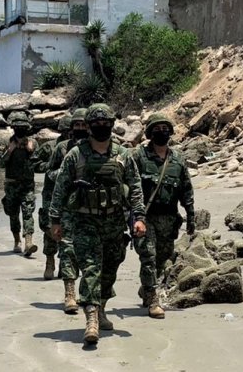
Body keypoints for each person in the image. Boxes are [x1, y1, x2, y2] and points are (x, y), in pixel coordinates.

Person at [50, 103, 146, 345]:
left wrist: (139, 217)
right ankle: (91, 318)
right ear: (90, 127)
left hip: (114, 222)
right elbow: (60, 189)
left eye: (106, 124)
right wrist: (55, 221)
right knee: (91, 268)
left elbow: (134, 187)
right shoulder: (76, 155)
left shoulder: (123, 155)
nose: (101, 127)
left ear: (112, 126)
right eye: (97, 124)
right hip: (85, 221)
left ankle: (101, 307)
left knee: (111, 267)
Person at [129, 113, 195, 320]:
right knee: (148, 257)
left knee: (162, 260)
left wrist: (191, 215)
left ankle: (146, 288)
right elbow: (130, 185)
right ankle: (153, 300)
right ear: (149, 133)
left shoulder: (178, 160)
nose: (161, 132)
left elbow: (186, 189)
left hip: (169, 218)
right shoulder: (139, 157)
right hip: (145, 217)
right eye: (156, 129)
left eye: (165, 128)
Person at [45, 109, 89, 313]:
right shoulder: (62, 149)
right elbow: (49, 173)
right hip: (68, 209)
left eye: (83, 124)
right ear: (71, 127)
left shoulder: (97, 148)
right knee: (68, 251)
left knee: (91, 254)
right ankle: (70, 294)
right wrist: (66, 175)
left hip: (92, 208)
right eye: (77, 124)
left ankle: (89, 295)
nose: (80, 128)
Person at [0, 111, 38, 257]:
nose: (21, 130)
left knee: (28, 213)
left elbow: (38, 163)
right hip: (11, 185)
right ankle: (17, 241)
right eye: (18, 127)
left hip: (27, 185)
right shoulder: (6, 143)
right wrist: (10, 151)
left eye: (23, 128)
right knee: (13, 214)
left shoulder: (33, 143)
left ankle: (28, 242)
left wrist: (30, 151)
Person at [37, 114, 72, 281]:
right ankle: (49, 261)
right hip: (51, 194)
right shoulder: (51, 147)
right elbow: (34, 164)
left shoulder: (80, 147)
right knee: (50, 228)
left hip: (72, 195)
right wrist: (53, 170)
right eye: (67, 131)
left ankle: (65, 265)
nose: (70, 134)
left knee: (69, 231)